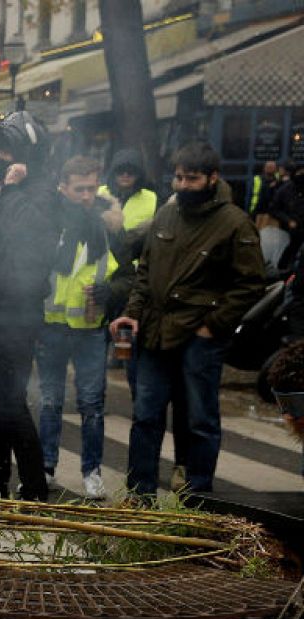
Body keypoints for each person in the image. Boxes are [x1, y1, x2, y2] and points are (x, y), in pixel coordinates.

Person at [110, 141, 268, 498]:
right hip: (154, 333)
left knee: (199, 419)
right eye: (179, 178)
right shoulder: (167, 215)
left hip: (200, 337)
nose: (182, 186)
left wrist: (213, 325)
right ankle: (140, 494)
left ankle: (197, 498)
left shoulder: (234, 224)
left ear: (213, 178)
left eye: (191, 179)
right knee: (146, 416)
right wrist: (132, 314)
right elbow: (146, 270)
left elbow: (250, 283)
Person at [0, 112, 61, 502]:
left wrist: (12, 189)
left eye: (9, 150)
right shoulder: (7, 192)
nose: (1, 157)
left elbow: (19, 238)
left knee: (8, 400)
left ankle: (35, 486)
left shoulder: (41, 194)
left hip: (18, 313)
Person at [36, 156, 123, 500]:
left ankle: (92, 472)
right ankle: (45, 467)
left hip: (90, 326)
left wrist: (111, 292)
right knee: (49, 401)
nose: (87, 196)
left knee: (91, 404)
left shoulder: (107, 226)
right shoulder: (49, 222)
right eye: (79, 189)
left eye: (91, 188)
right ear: (63, 188)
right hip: (52, 325)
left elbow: (130, 273)